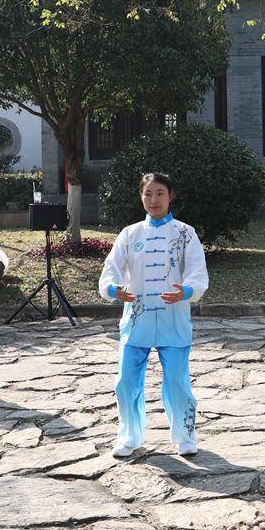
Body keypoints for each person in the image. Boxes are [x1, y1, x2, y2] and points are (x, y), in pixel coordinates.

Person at [99, 172, 209, 458]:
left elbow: (198, 272)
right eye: (148, 193)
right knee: (125, 382)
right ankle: (129, 436)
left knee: (176, 382)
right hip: (137, 321)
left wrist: (186, 291)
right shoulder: (130, 234)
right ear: (141, 197)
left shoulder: (185, 233)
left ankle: (185, 435)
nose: (154, 199)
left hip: (173, 321)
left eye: (160, 193)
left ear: (170, 196)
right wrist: (113, 289)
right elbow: (111, 269)